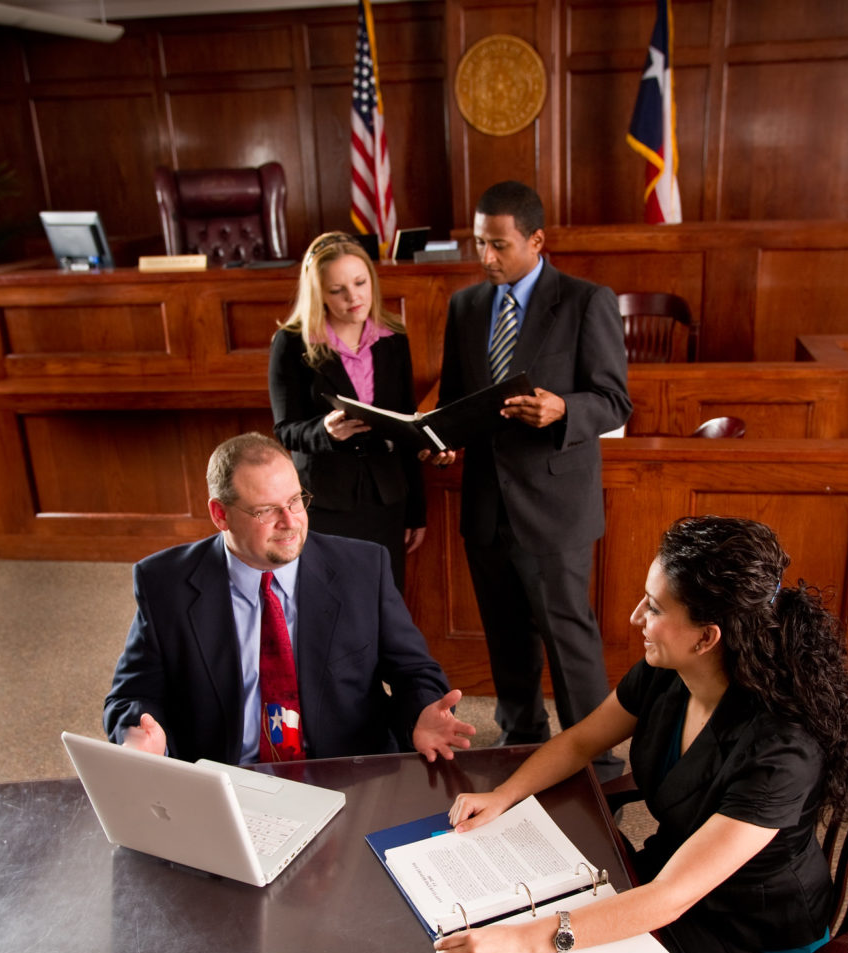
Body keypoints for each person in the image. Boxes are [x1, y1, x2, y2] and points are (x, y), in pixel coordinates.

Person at [435, 515, 848, 953]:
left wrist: (522, 941)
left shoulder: (782, 751)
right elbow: (579, 741)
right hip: (671, 880)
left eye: (656, 607)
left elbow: (670, 898)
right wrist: (504, 794)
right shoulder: (667, 670)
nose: (636, 616)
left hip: (753, 939)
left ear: (707, 637)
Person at [104, 432, 474, 764]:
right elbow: (131, 696)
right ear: (220, 514)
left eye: (296, 500)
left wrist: (419, 712)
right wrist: (139, 734)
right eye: (266, 510)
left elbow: (414, 672)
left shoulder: (362, 568)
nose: (291, 521)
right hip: (225, 777)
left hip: (344, 772)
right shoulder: (165, 582)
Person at [436, 180, 632, 757]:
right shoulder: (466, 306)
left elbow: (615, 400)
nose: (486, 258)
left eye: (498, 245)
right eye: (478, 244)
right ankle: (522, 740)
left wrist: (563, 408)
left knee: (568, 638)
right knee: (505, 637)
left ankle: (595, 757)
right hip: (485, 503)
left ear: (536, 240)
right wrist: (440, 438)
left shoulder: (585, 301)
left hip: (553, 505)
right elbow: (456, 398)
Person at [268, 231, 425, 591]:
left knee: (384, 601)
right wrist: (324, 432)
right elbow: (285, 428)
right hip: (324, 499)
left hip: (386, 497)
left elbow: (407, 428)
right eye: (337, 289)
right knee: (331, 604)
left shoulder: (393, 339)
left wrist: (417, 510)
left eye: (360, 282)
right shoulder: (292, 343)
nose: (353, 297)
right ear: (318, 293)